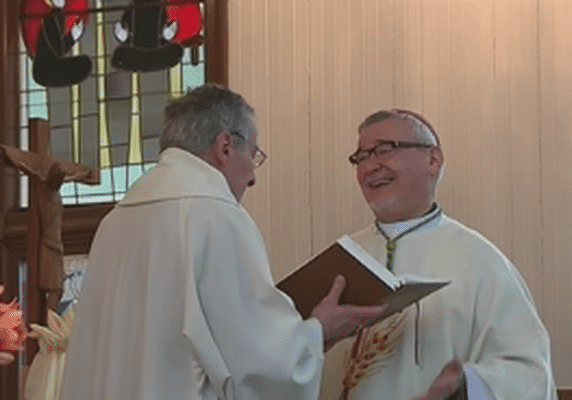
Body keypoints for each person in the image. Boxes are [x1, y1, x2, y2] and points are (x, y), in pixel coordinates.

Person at [60, 84, 384, 400]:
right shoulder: (216, 216)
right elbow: (259, 366)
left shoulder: (115, 222)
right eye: (254, 155)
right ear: (225, 147)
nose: (253, 178)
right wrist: (318, 332)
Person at [319, 109, 558, 400]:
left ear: (433, 160)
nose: (370, 166)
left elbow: (530, 372)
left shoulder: (481, 261)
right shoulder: (340, 259)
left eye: (383, 150)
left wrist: (469, 387)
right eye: (361, 156)